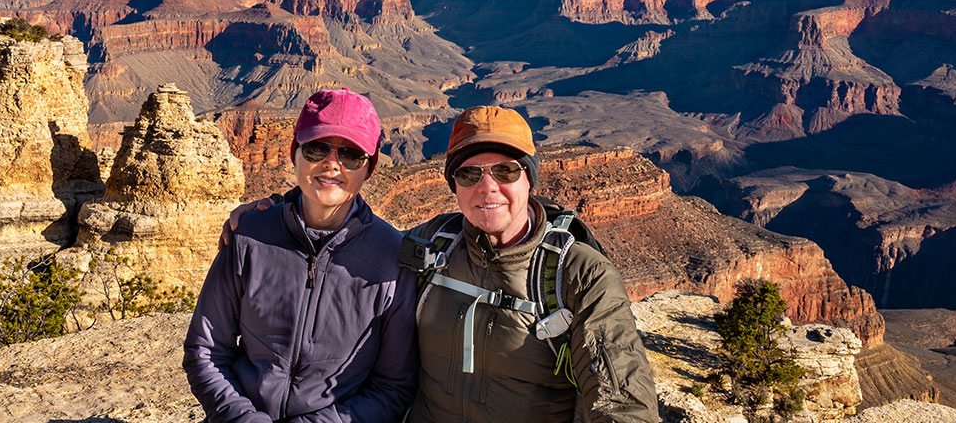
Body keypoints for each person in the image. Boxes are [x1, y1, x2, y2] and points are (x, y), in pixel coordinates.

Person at [221, 105, 657, 422]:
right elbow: (348, 233)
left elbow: (621, 399)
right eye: (469, 174)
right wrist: (278, 212)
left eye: (505, 171)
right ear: (453, 186)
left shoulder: (577, 274)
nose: (487, 187)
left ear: (529, 179)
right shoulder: (430, 246)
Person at [183, 88, 418, 423]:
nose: (332, 165)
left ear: (369, 168)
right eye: (317, 148)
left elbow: (392, 387)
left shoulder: (392, 259)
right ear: (295, 153)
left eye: (350, 155)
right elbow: (205, 352)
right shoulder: (248, 237)